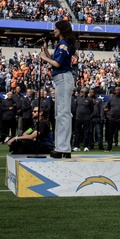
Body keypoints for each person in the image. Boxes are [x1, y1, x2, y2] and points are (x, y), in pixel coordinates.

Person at [39, 20, 76, 159]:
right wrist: (46, 50)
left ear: (61, 30)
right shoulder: (61, 44)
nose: (54, 31)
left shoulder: (63, 44)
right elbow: (54, 61)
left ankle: (64, 148)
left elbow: (57, 63)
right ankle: (61, 147)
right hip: (60, 79)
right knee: (60, 114)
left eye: (56, 28)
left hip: (63, 79)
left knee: (63, 114)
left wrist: (44, 57)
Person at [104, 85, 120, 151]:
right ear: (114, 91)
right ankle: (109, 147)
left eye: (118, 90)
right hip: (112, 118)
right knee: (110, 133)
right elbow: (108, 107)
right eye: (116, 90)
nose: (117, 91)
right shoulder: (111, 99)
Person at [73, 87, 94, 152]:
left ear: (86, 92)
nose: (80, 92)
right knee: (77, 132)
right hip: (78, 118)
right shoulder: (78, 99)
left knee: (86, 133)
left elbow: (92, 109)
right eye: (81, 91)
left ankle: (85, 146)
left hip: (86, 118)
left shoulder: (89, 100)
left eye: (82, 91)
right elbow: (76, 107)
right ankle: (76, 146)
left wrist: (88, 116)